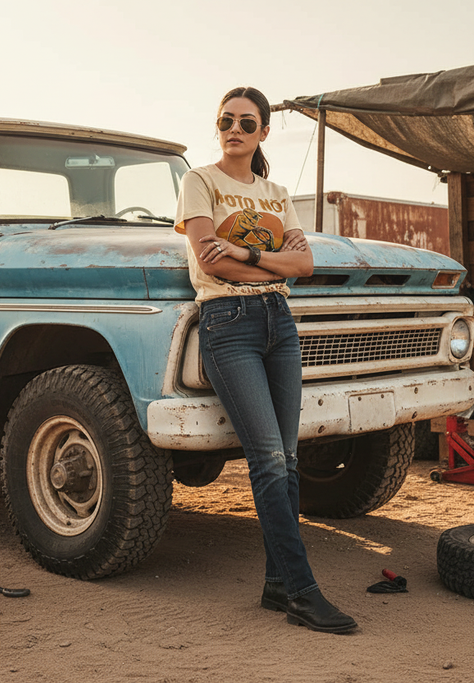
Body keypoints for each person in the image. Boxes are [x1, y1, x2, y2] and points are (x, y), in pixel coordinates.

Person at [174, 86, 357, 634]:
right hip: (229, 324)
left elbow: (304, 265)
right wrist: (267, 267)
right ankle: (302, 590)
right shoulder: (199, 181)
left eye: (246, 122)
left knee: (291, 458)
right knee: (269, 460)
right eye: (226, 120)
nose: (234, 128)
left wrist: (252, 254)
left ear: (264, 131)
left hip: (281, 323)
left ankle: (279, 585)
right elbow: (212, 262)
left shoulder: (276, 191)